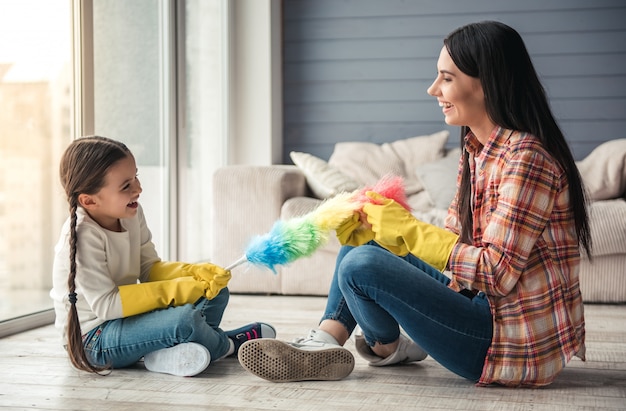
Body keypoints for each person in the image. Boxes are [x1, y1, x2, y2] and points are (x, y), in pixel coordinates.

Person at [237, 21, 592, 387]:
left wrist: (408, 231)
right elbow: (455, 243)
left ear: (487, 82)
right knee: (360, 247)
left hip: (505, 342)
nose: (433, 89)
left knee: (362, 263)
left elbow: (497, 273)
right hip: (477, 305)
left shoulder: (526, 159)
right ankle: (327, 343)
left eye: (446, 78)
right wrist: (386, 233)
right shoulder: (477, 151)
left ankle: (383, 345)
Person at [50, 136, 276, 377]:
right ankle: (227, 345)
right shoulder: (82, 235)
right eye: (126, 186)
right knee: (184, 321)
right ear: (89, 200)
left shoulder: (131, 213)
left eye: (136, 176)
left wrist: (193, 274)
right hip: (93, 339)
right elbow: (107, 305)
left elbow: (149, 268)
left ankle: (170, 351)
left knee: (215, 291)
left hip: (125, 319)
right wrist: (176, 291)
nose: (138, 188)